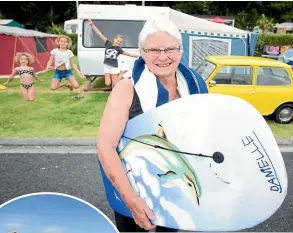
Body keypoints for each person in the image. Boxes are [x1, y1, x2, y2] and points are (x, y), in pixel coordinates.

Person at [96, 19, 208, 232]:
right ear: (142, 53)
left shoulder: (195, 83)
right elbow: (105, 147)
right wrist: (131, 200)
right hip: (133, 185)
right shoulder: (127, 88)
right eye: (154, 50)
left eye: (170, 49)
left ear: (181, 50)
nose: (163, 56)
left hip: (175, 187)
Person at [87, 19, 138, 89]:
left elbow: (129, 54)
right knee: (107, 84)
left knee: (116, 84)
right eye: (118, 40)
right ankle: (121, 73)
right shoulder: (108, 43)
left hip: (114, 66)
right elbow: (99, 34)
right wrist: (92, 25)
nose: (119, 42)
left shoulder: (119, 49)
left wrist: (140, 56)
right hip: (106, 65)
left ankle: (121, 73)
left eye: (120, 42)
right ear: (114, 39)